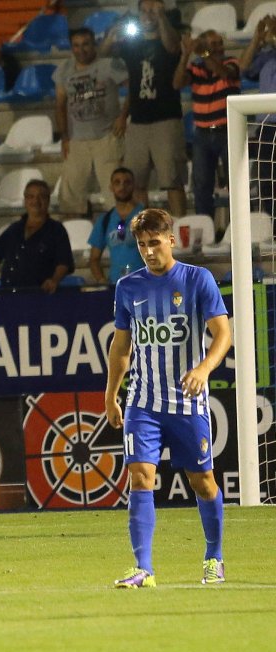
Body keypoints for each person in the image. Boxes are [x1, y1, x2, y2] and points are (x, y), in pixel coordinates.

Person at [103, 208, 231, 588]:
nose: (148, 251)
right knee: (140, 477)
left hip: (188, 404)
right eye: (142, 245)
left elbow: (223, 334)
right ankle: (143, 567)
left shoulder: (197, 280)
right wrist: (112, 395)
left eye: (154, 243)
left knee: (203, 481)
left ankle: (214, 557)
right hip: (143, 402)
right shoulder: (128, 287)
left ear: (171, 240)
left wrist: (204, 368)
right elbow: (121, 346)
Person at [103, 1, 185, 215]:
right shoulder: (132, 44)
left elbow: (172, 46)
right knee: (137, 182)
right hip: (138, 121)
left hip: (166, 119)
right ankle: (144, 230)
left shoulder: (170, 35)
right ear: (138, 14)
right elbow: (103, 56)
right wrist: (112, 35)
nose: (149, 15)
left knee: (172, 180)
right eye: (145, 11)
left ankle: (179, 228)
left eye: (154, 10)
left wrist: (161, 18)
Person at [53, 27, 128, 216]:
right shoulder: (64, 70)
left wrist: (123, 117)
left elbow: (135, 88)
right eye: (76, 45)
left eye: (86, 44)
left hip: (107, 137)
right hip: (76, 140)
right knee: (71, 195)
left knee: (116, 194)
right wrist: (64, 137)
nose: (81, 49)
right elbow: (60, 104)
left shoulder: (110, 64)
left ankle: (119, 234)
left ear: (93, 44)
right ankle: (75, 237)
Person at [0, 179, 74, 296]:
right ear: (25, 201)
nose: (36, 201)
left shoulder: (57, 230)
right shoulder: (13, 230)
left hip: (40, 297)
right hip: (7, 297)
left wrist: (54, 281)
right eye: (31, 197)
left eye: (41, 196)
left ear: (48, 200)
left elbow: (64, 263)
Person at [174, 30, 239, 218]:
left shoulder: (231, 62)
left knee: (235, 183)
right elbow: (177, 83)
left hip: (228, 130)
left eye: (220, 43)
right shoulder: (196, 68)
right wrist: (186, 54)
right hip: (202, 134)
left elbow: (224, 73)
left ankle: (239, 228)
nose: (219, 47)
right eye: (213, 44)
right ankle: (206, 229)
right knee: (201, 186)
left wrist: (204, 53)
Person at [240, 14, 276, 215]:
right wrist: (257, 38)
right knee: (268, 183)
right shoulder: (266, 55)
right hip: (267, 128)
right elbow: (243, 67)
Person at [89, 167, 146, 285]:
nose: (122, 187)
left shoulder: (148, 216)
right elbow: (94, 258)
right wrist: (102, 280)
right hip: (116, 286)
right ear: (111, 187)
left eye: (127, 182)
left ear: (134, 186)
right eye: (117, 182)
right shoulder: (104, 220)